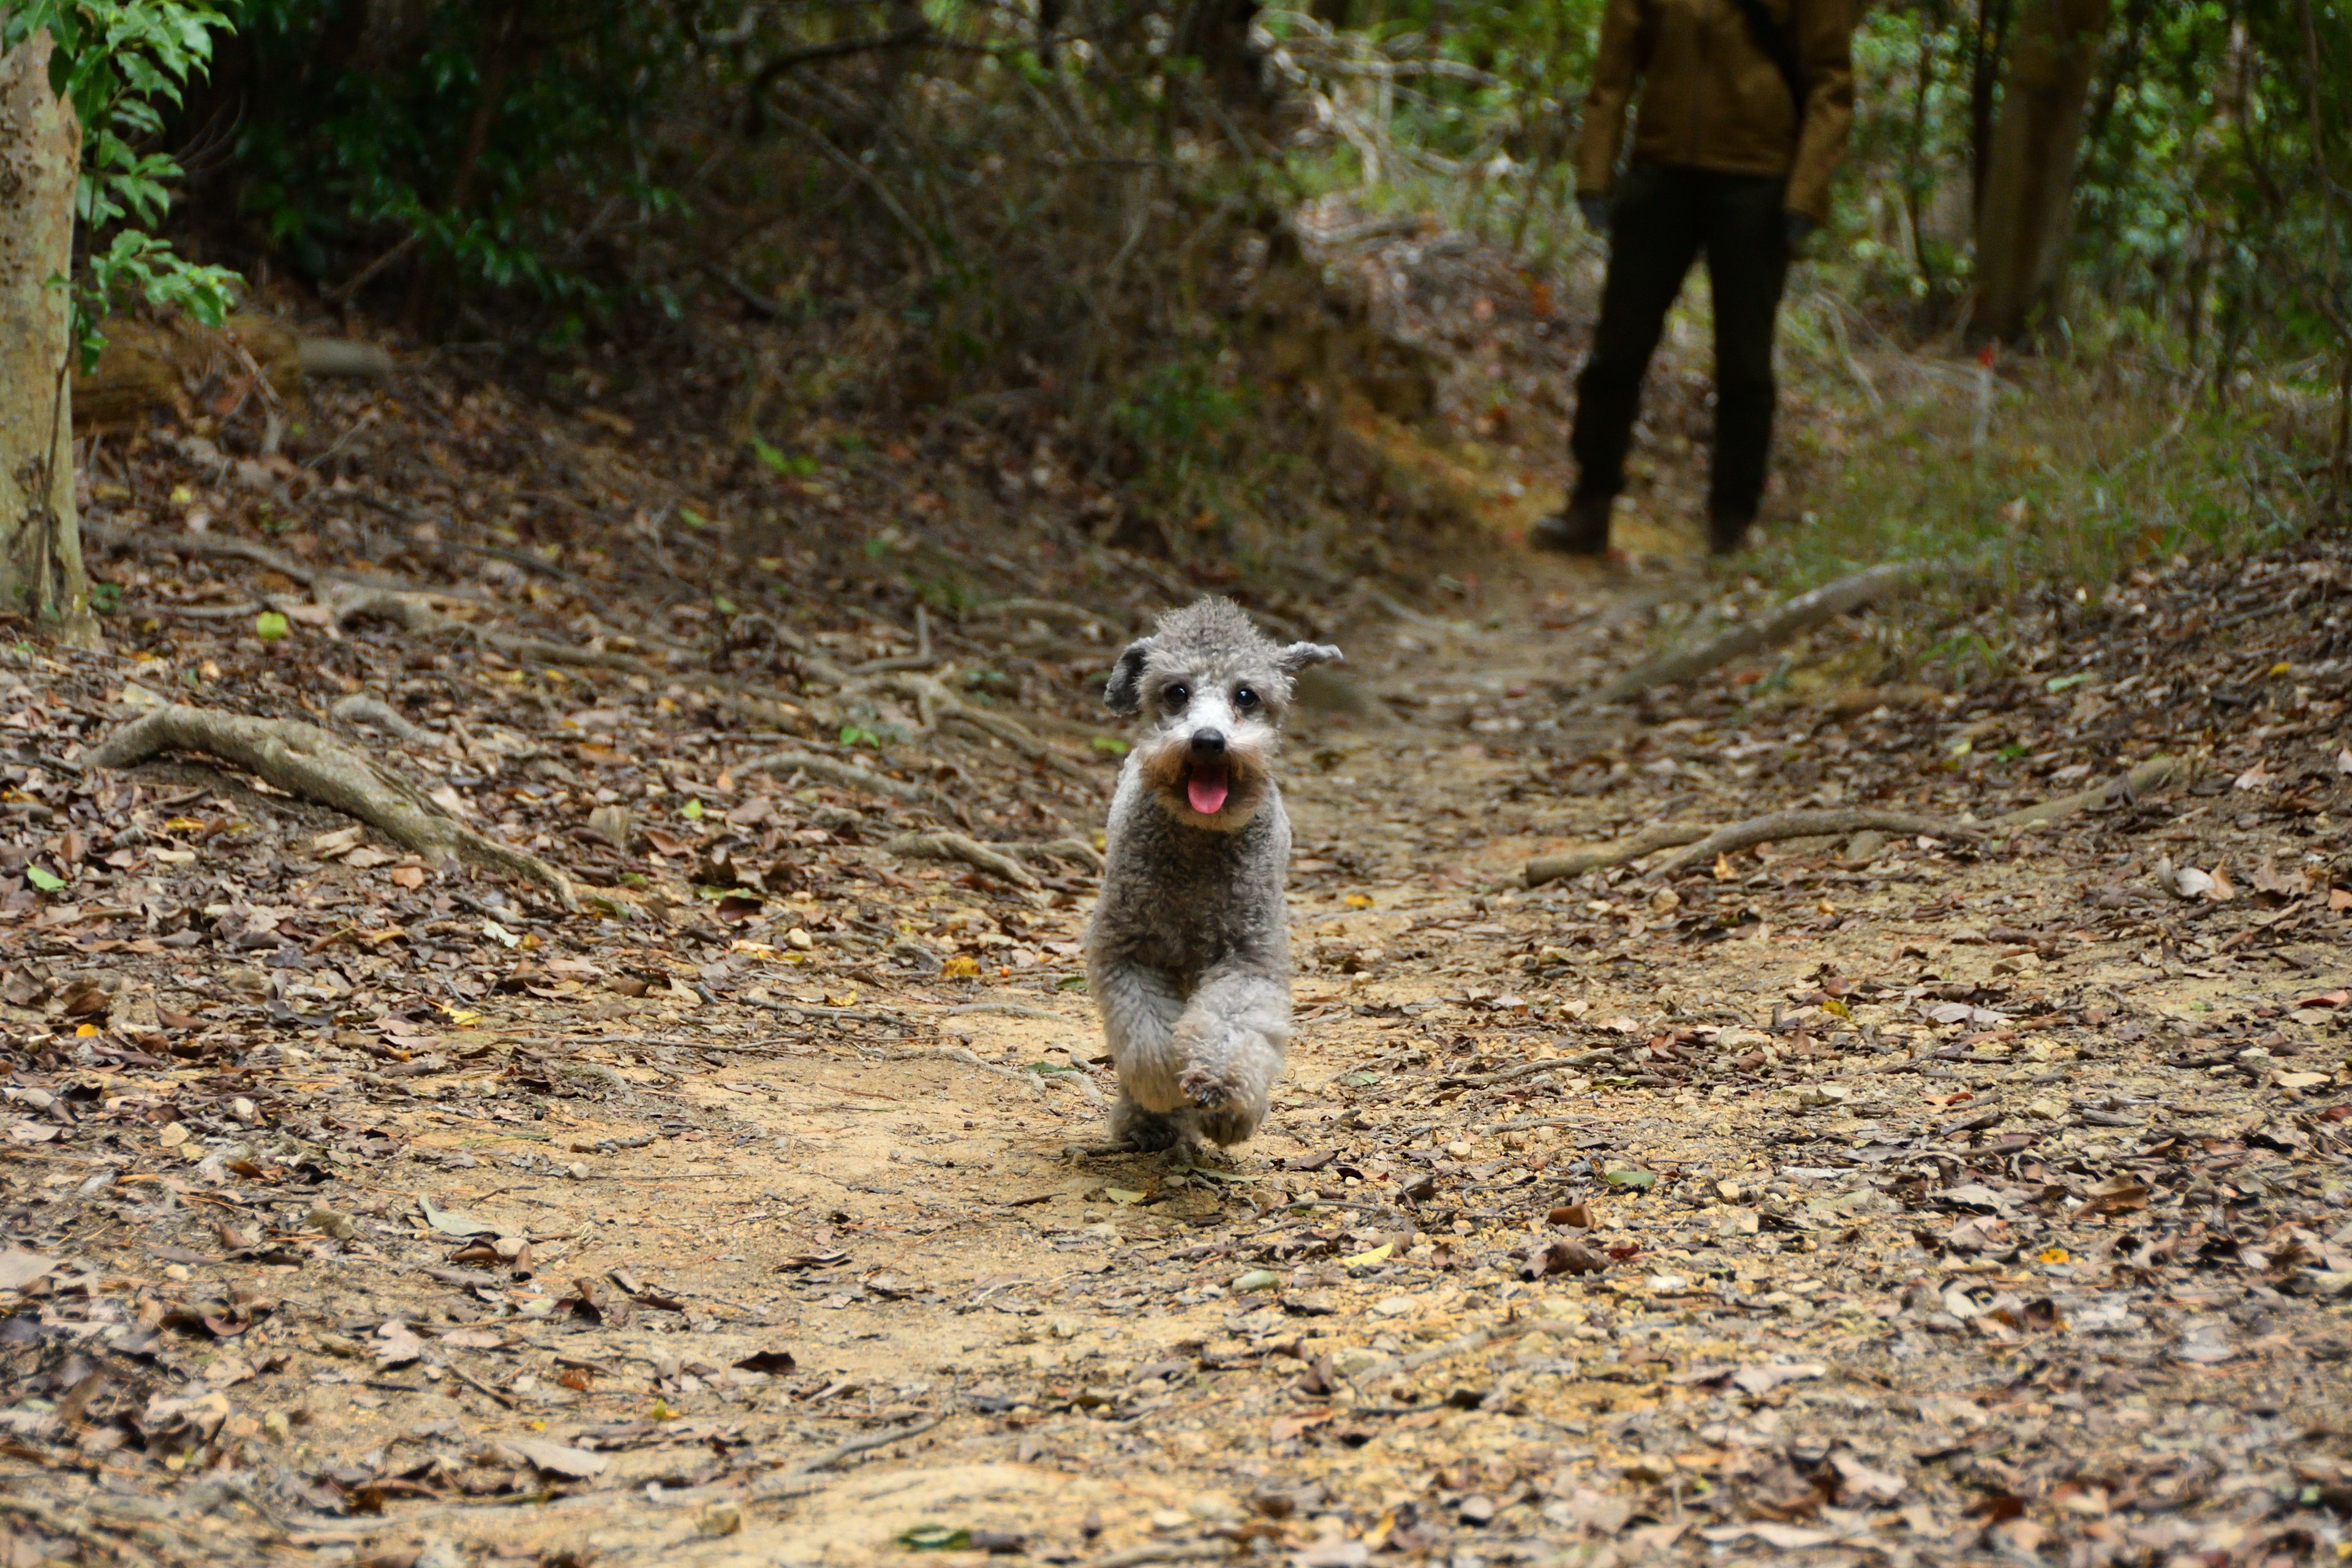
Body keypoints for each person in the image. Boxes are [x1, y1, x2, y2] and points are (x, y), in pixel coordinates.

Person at [1533, 0, 1855, 558]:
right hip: (1662, 173)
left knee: (1745, 366)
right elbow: (1614, 68)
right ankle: (1590, 504)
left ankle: (1730, 527)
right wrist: (1595, 171)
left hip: (1757, 182)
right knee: (1618, 350)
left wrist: (1805, 192)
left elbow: (1831, 80)